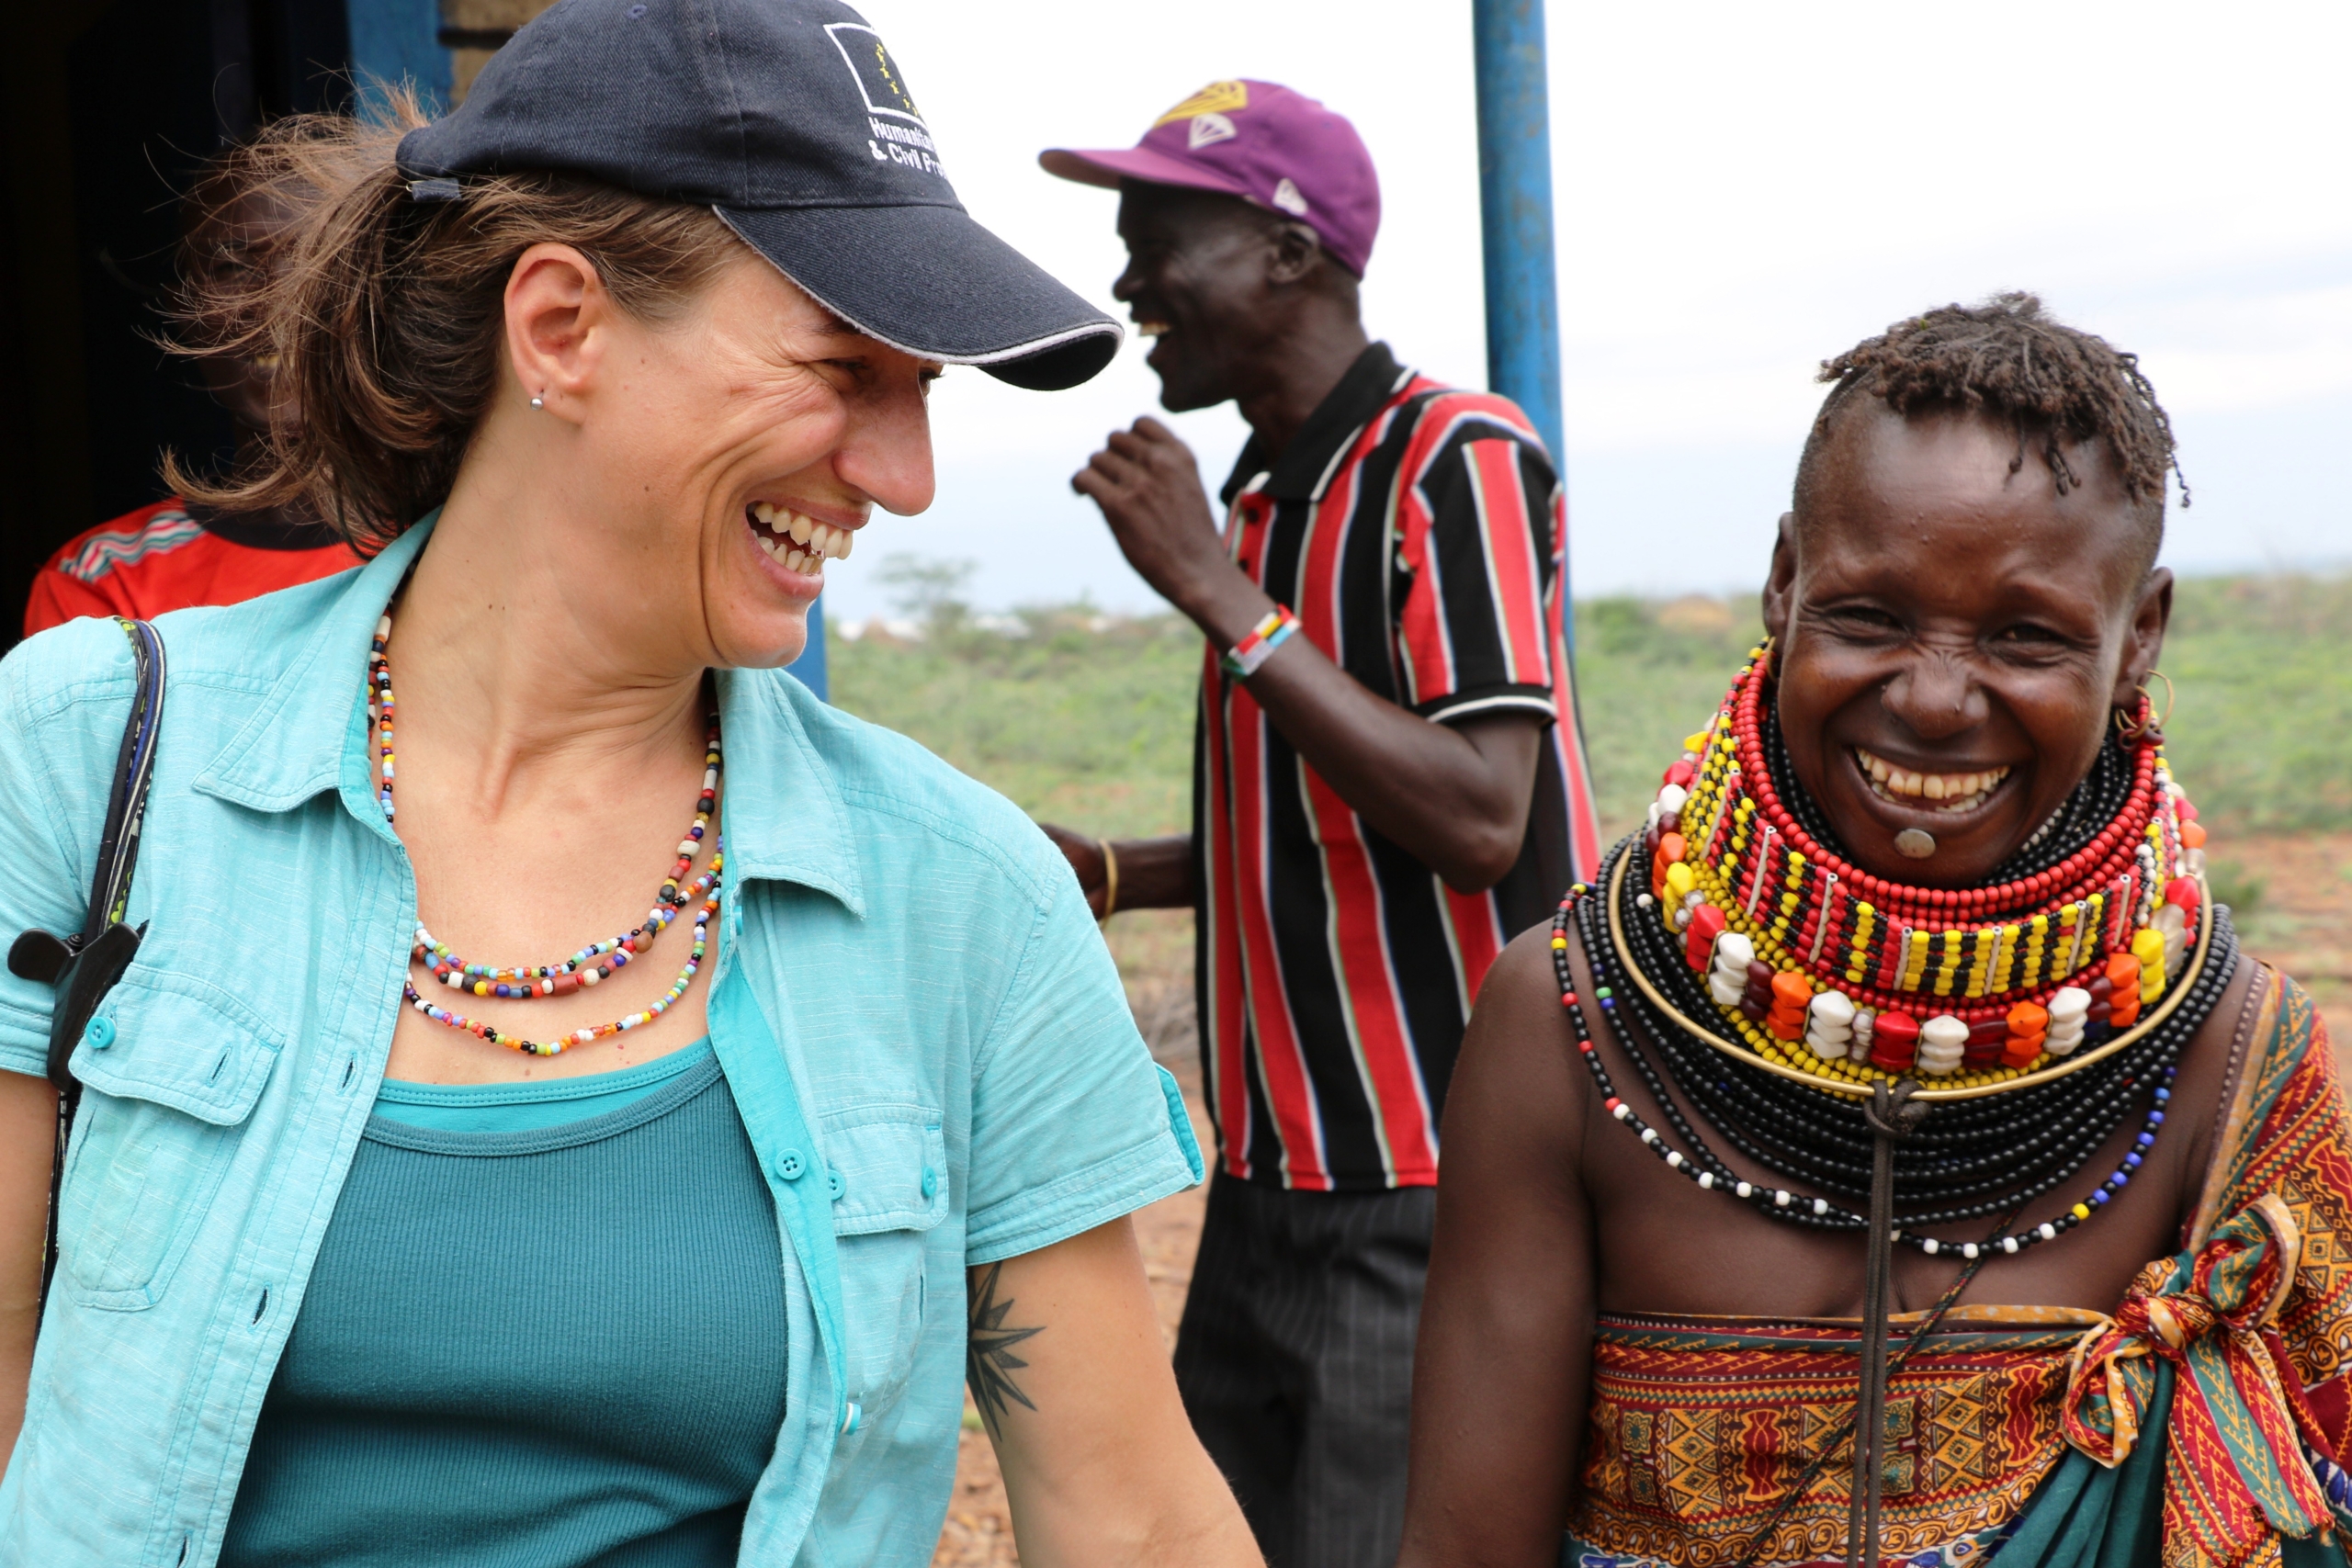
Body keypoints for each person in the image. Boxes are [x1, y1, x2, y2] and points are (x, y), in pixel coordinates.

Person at [0, 4, 1265, 1565]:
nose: (904, 473)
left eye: (922, 388)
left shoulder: (964, 901)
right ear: (562, 328)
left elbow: (1133, 1518)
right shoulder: (82, 760)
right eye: (841, 366)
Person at [1397, 294, 2350, 1568]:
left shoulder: (2232, 1061)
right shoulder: (1577, 1015)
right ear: (1784, 578)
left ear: (2144, 635)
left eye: (2024, 635)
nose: (1938, 697)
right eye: (1870, 614)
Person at [1036, 80, 1602, 1568]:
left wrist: (1217, 595)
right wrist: (1109, 870)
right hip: (1274, 1172)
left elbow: (1483, 815)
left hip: (1428, 1178)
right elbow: (1330, 823)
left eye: (1162, 240)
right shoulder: (1275, 498)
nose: (1128, 282)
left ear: (1292, 253)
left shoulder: (1452, 460)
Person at [22, 146, 360, 638]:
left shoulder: (452, 540)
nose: (277, 302)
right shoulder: (105, 582)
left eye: (318, 261)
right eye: (233, 268)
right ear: (186, 319)